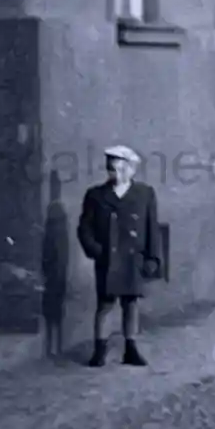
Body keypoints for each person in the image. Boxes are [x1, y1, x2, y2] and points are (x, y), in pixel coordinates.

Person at [77, 145, 161, 367]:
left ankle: (130, 349)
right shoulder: (96, 195)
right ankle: (100, 350)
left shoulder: (144, 194)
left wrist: (153, 257)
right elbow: (84, 228)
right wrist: (96, 250)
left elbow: (152, 227)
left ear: (131, 169)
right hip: (108, 259)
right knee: (104, 305)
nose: (115, 174)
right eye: (111, 169)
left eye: (119, 169)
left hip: (133, 258)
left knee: (131, 303)